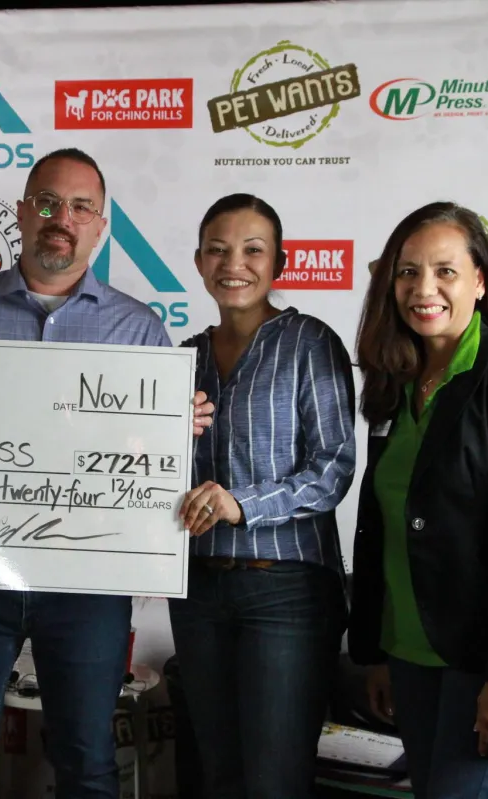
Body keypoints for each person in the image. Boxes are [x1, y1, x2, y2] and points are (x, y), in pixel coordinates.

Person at [0, 147, 214, 799]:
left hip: (89, 584)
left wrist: (171, 425)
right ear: (22, 213)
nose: (62, 219)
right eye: (48, 203)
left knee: (89, 765)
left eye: (80, 207)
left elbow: (156, 466)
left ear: (100, 226)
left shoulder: (138, 330)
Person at [347, 201, 488, 799]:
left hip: (486, 657)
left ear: (480, 280)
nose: (423, 288)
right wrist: (376, 651)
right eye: (407, 272)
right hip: (408, 652)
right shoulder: (397, 381)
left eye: (445, 270)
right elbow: (381, 525)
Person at [168, 194, 357, 799]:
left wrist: (242, 504)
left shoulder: (311, 342)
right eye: (218, 250)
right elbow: (149, 472)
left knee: (276, 780)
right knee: (219, 775)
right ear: (199, 262)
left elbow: (332, 469)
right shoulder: (182, 359)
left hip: (287, 592)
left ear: (280, 261)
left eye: (253, 250)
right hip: (197, 591)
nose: (234, 264)